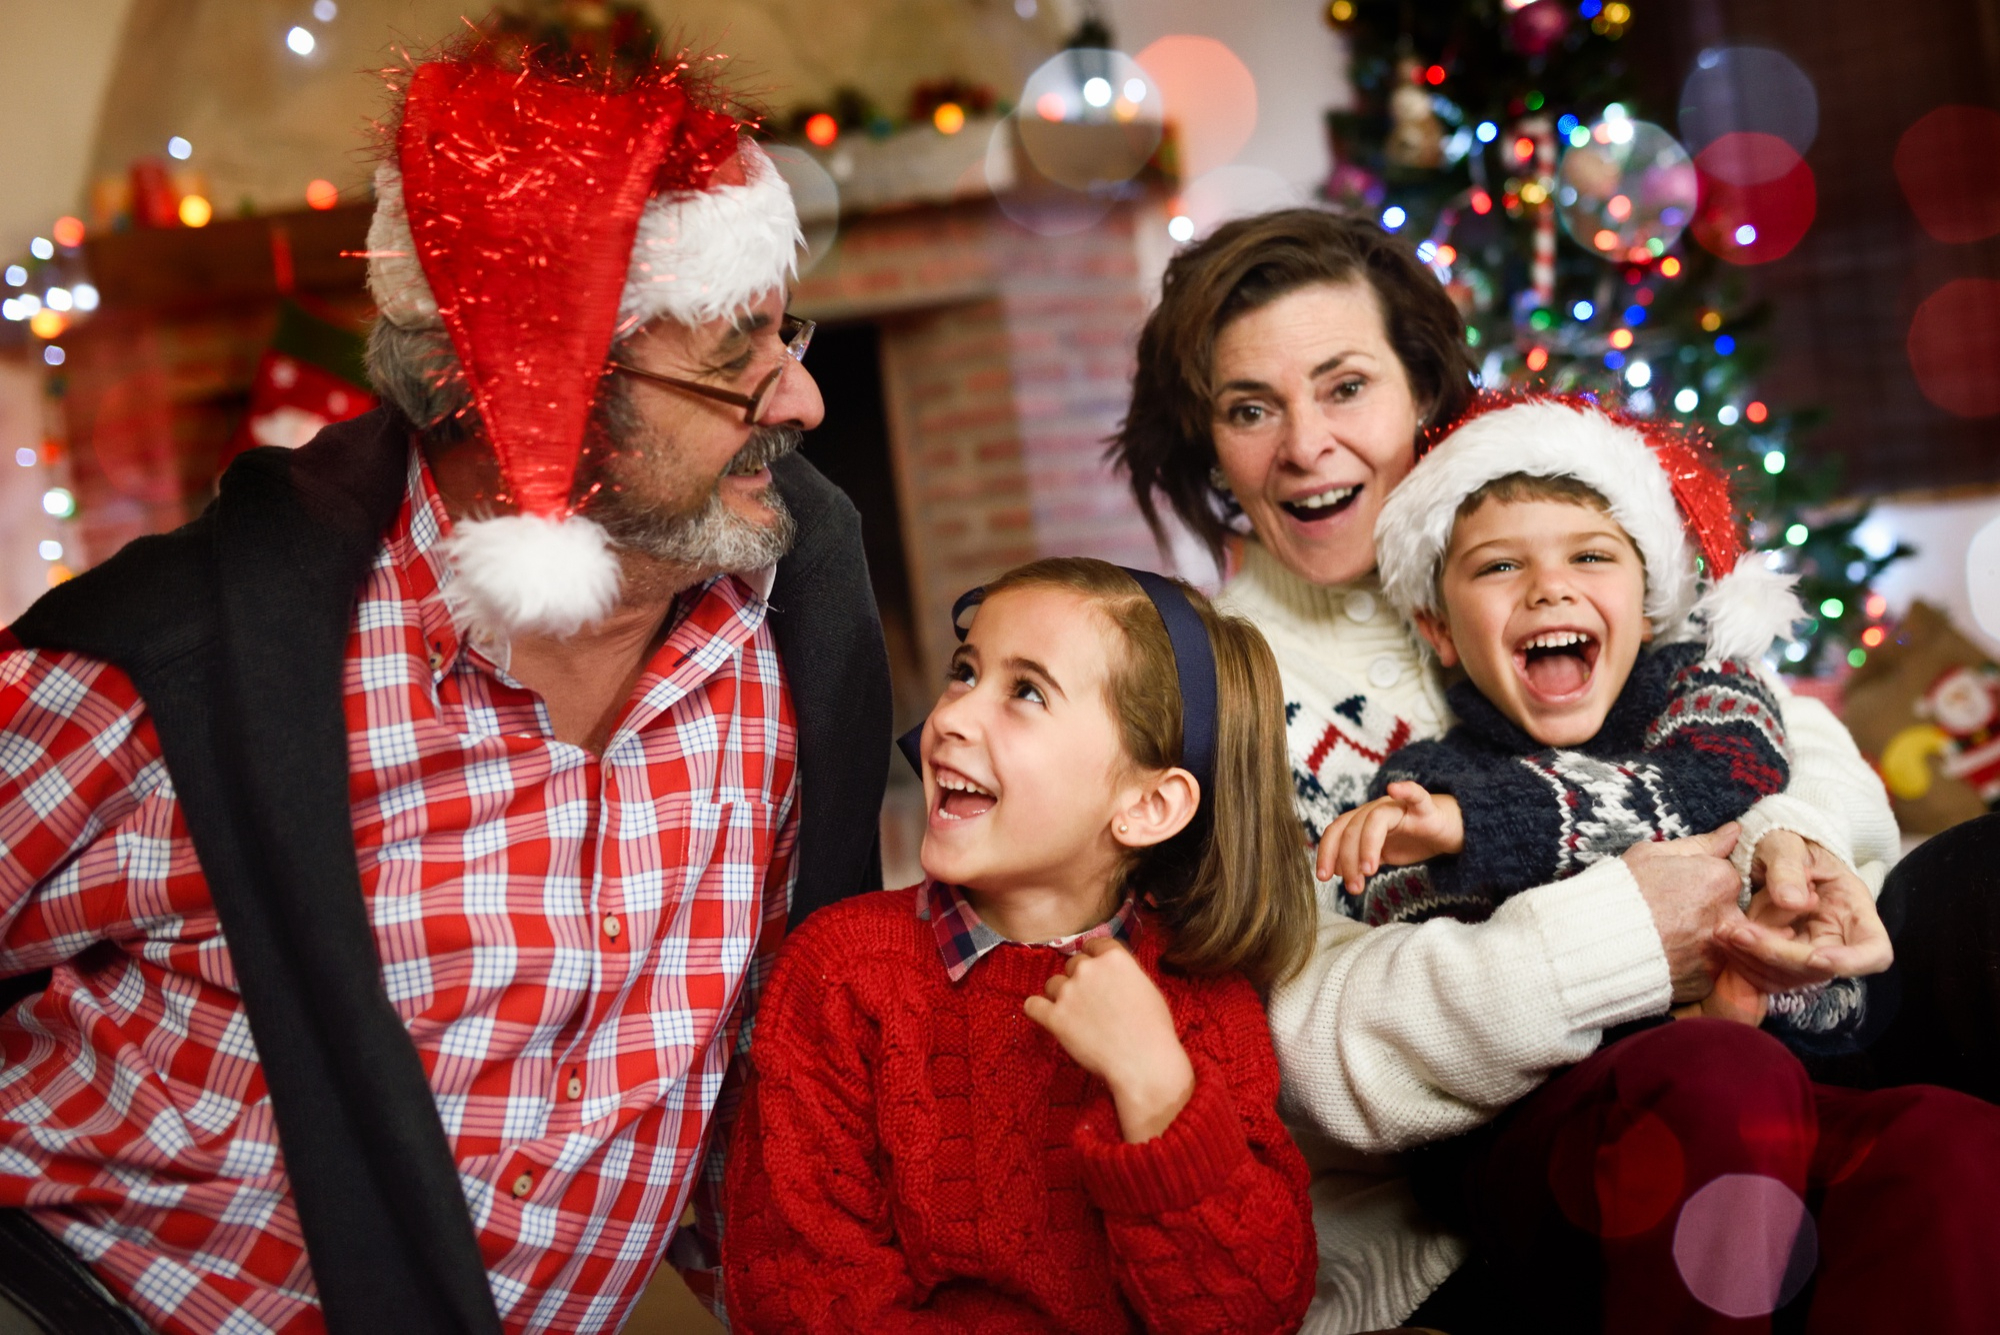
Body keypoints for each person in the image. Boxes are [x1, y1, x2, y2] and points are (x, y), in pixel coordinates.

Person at [0, 33, 889, 1335]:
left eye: (784, 333)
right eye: (731, 355)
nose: (803, 397)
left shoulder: (796, 639)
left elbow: (772, 1118)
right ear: (518, 392)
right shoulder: (174, 671)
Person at [1109, 209, 1983, 1333]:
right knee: (1722, 1092)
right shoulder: (1219, 691)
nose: (1301, 446)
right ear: (1206, 445)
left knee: (1962, 1020)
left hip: (1761, 1036)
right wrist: (1624, 931)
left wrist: (1787, 852)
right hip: (1472, 1202)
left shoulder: (1546, 524)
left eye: (1343, 387)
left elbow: (1783, 737)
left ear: (1422, 391)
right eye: (1247, 409)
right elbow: (1296, 1063)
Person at [722, 558, 1318, 1333]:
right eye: (964, 672)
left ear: (1148, 804)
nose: (953, 717)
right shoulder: (841, 973)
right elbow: (800, 1293)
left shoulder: (1200, 996)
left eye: (1026, 691)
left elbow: (1256, 1310)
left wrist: (1159, 1089)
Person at [1322, 396, 1835, 1034]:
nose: (1549, 587)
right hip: (1598, 1080)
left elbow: (1721, 781)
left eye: (1590, 557)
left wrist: (1478, 827)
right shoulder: (1427, 779)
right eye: (1500, 566)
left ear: (1648, 602)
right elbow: (1400, 917)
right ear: (1440, 628)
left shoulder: (1700, 680)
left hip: (1817, 1036)